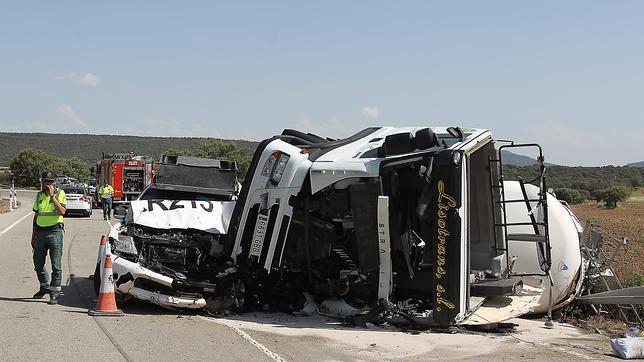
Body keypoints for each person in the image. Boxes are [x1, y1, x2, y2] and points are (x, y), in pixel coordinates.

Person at [31, 171, 67, 305]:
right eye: (46, 181)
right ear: (42, 181)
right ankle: (44, 286)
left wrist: (52, 196)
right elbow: (36, 216)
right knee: (38, 263)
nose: (48, 184)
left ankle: (55, 293)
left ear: (55, 182)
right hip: (40, 232)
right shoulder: (39, 195)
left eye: (51, 181)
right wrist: (33, 235)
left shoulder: (60, 194)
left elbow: (62, 212)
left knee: (56, 265)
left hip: (55, 231)